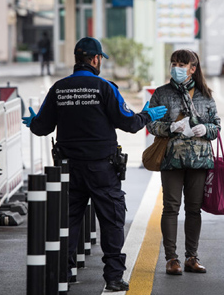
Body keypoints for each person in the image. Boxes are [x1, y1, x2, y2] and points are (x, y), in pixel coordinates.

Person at [22, 37, 167, 291]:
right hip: (102, 168)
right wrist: (146, 115)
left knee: (67, 220)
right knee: (112, 220)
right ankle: (113, 278)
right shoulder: (104, 87)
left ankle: (63, 274)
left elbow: (41, 128)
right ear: (96, 59)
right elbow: (129, 123)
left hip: (68, 169)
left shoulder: (59, 88)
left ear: (77, 59)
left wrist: (33, 122)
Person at [146, 49, 221, 276]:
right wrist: (169, 127)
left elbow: (216, 126)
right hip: (171, 159)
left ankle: (191, 257)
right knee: (170, 208)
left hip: (199, 160)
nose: (176, 68)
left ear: (192, 69)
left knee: (194, 209)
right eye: (174, 63)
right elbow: (150, 123)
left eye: (182, 64)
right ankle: (171, 259)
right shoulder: (161, 94)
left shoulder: (205, 95)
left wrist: (205, 129)